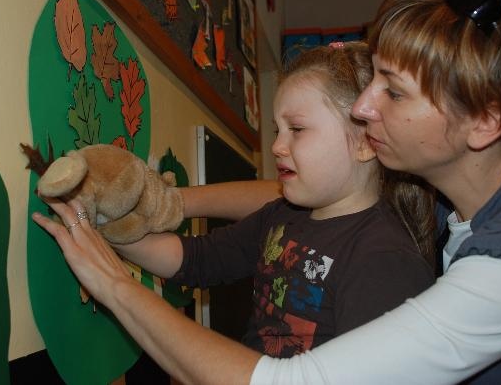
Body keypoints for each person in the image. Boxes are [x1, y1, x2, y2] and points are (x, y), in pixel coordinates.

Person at [32, 0, 501, 384]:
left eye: (393, 91)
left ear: (484, 122)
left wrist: (113, 284)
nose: (362, 107)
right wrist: (167, 203)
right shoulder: (446, 191)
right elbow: (284, 202)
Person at [60, 43, 437, 358]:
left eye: (297, 129)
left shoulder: (385, 261)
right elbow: (198, 259)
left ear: (366, 143)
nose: (276, 146)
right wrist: (108, 224)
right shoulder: (283, 215)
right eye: (277, 130)